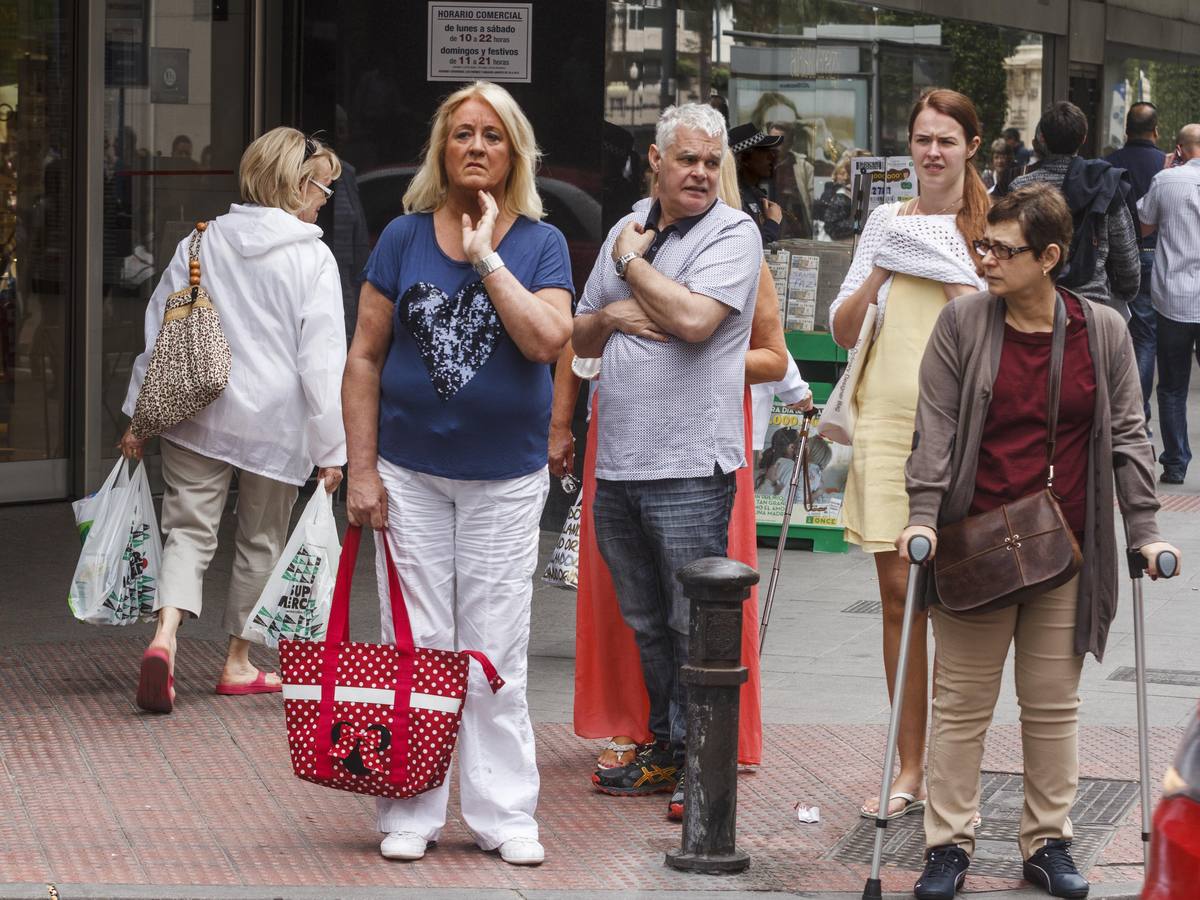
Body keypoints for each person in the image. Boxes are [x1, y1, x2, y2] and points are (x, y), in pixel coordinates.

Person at [898, 182, 1179, 900]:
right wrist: (922, 515)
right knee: (961, 706)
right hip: (973, 546)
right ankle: (947, 845)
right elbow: (934, 431)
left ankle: (1048, 841)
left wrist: (1143, 531)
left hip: (1065, 549)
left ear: (1050, 256)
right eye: (982, 244)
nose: (985, 258)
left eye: (1002, 248)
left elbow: (1128, 434)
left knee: (1053, 705)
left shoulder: (1103, 329)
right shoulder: (963, 322)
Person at [343, 81, 573, 866]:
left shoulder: (540, 243)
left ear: (515, 153)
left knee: (494, 649)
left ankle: (503, 814)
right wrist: (361, 471)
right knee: (419, 642)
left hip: (504, 480)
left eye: (493, 136)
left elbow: (548, 340)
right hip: (407, 475)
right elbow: (365, 357)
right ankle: (409, 806)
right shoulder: (402, 236)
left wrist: (486, 259)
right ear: (442, 149)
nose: (476, 146)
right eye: (462, 133)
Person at [564, 149, 792, 776]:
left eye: (712, 161)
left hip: (690, 465)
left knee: (694, 623)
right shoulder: (626, 224)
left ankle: (703, 767)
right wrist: (611, 315)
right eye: (687, 159)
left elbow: (693, 321)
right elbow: (579, 336)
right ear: (658, 161)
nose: (701, 171)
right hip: (617, 464)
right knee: (644, 621)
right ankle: (666, 748)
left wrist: (631, 266)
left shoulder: (734, 234)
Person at [119, 127, 347, 713]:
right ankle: (237, 662)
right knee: (261, 539)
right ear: (297, 185)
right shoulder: (312, 256)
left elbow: (163, 334)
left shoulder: (200, 242)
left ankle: (165, 636)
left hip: (197, 410)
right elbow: (321, 360)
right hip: (275, 424)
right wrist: (332, 448)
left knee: (189, 531)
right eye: (324, 186)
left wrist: (140, 416)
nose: (326, 198)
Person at [829, 88, 987, 822]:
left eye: (946, 140)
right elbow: (839, 328)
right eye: (922, 139)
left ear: (970, 148)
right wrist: (882, 269)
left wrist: (946, 259)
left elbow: (996, 319)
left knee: (964, 604)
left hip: (967, 434)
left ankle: (958, 768)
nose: (931, 152)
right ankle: (910, 768)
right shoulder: (885, 221)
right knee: (901, 599)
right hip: (890, 427)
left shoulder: (991, 226)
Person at [1010, 102, 1140, 320]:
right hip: (1091, 308)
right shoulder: (1105, 184)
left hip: (1033, 306)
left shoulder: (1020, 189)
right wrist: (1125, 291)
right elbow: (1125, 253)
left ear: (1041, 139)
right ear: (1083, 138)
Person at [1136, 123, 1200, 486]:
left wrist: (1165, 173)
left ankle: (1175, 463)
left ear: (1179, 149)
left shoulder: (1166, 180)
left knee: (1173, 386)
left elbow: (1144, 225)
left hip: (1174, 298)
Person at [1106, 103, 1168, 431]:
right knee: (1145, 337)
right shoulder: (1167, 168)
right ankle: (1136, 411)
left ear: (1126, 130)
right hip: (1153, 255)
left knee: (1112, 334)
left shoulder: (1107, 165)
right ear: (1156, 131)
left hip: (1113, 259)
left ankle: (1114, 407)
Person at [729, 122, 785, 245]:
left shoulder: (753, 194)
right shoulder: (733, 199)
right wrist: (772, 223)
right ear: (744, 159)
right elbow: (749, 249)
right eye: (764, 152)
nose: (772, 157)